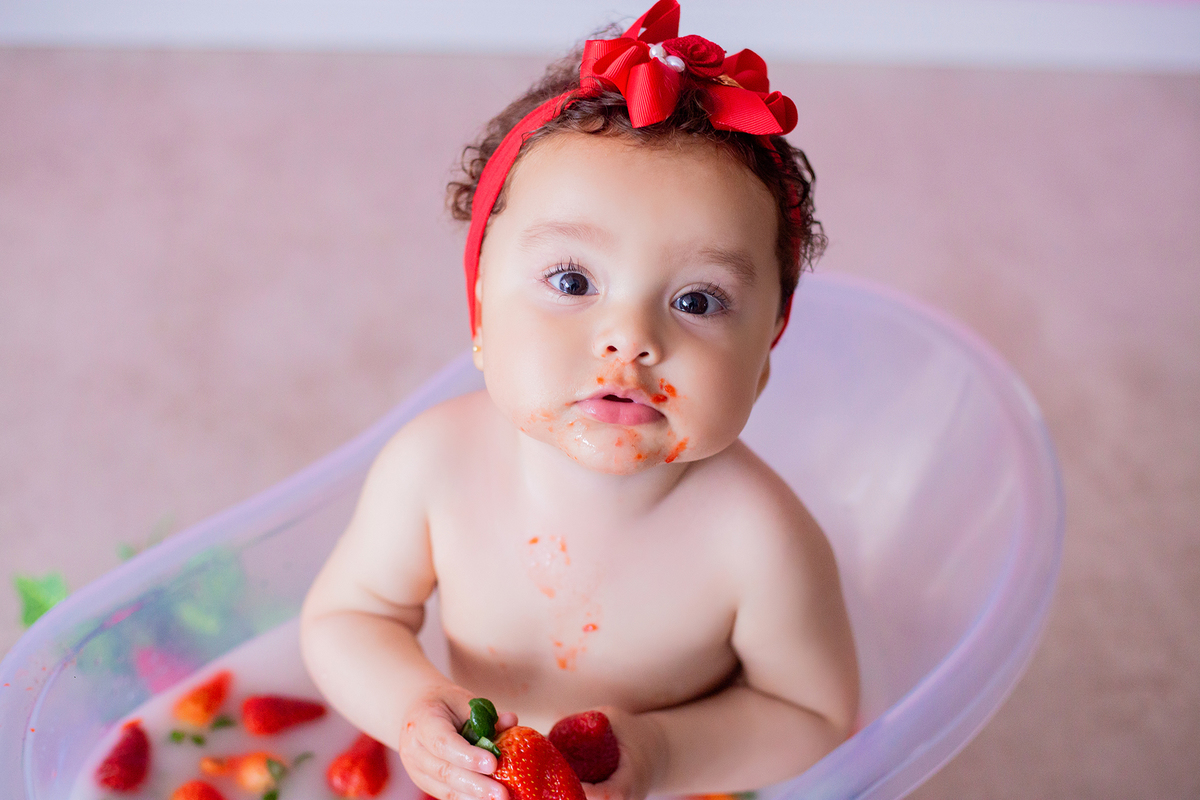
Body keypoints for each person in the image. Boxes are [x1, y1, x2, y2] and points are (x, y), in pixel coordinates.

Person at [300, 2, 859, 798]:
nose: (629, 339)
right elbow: (347, 619)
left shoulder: (760, 537)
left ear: (764, 360)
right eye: (573, 282)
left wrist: (666, 755)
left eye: (698, 301)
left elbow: (813, 715)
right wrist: (413, 706)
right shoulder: (433, 468)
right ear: (482, 318)